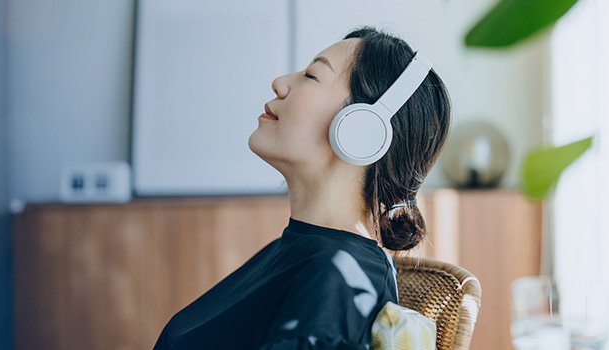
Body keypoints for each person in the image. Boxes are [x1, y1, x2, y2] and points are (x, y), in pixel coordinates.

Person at [152, 27, 451, 349]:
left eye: (311, 75)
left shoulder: (337, 277)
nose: (279, 82)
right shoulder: (303, 254)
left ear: (361, 128)